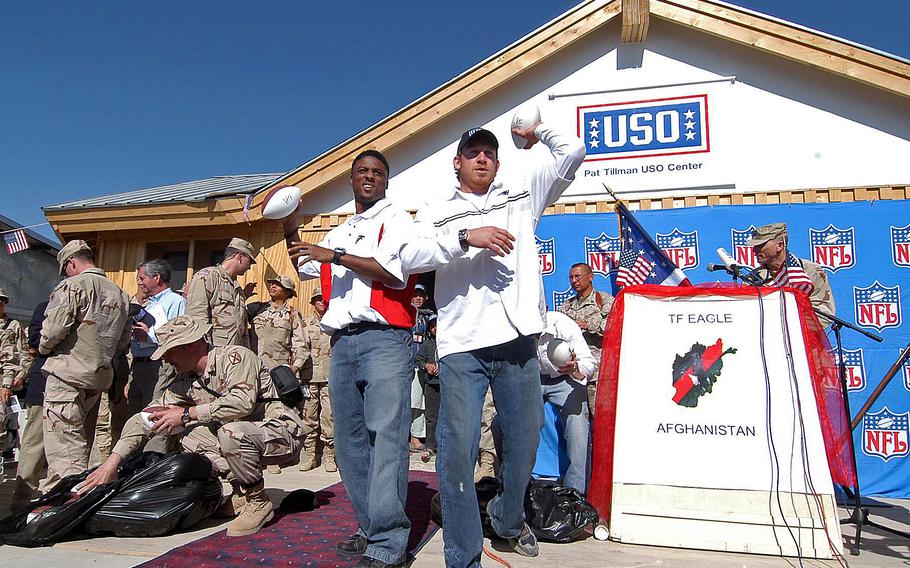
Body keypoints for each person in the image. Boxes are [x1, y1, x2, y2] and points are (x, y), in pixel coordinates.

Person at [395, 121, 586, 566]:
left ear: (497, 162)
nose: (482, 158)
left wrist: (538, 130)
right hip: (462, 345)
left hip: (518, 340)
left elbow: (573, 150)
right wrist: (466, 237)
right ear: (457, 162)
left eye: (489, 153)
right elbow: (407, 257)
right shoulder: (437, 208)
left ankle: (505, 514)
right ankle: (463, 555)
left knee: (523, 442)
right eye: (473, 152)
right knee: (458, 452)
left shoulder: (521, 193)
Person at [78, 315, 308, 537]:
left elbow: (241, 403)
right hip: (243, 437)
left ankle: (258, 501)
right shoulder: (184, 382)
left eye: (169, 352)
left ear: (189, 345)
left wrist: (187, 413)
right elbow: (146, 418)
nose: (166, 360)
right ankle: (241, 491)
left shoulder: (236, 357)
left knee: (229, 432)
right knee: (188, 435)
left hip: (280, 434)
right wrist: (111, 463)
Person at [39, 240, 131, 491]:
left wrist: (44, 348)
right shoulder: (120, 293)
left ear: (71, 262)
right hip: (98, 378)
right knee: (81, 441)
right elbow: (123, 340)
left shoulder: (73, 286)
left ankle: (72, 505)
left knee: (66, 452)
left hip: (67, 375)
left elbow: (52, 330)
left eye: (65, 268)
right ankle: (63, 494)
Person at [247, 274, 307, 474]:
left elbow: (300, 345)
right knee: (251, 410)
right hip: (253, 368)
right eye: (271, 283)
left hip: (277, 372)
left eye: (278, 284)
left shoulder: (291, 314)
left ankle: (273, 454)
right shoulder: (257, 309)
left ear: (288, 291)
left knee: (275, 413)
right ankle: (252, 451)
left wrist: (294, 368)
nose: (272, 286)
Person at [537, 311, 597, 495]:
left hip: (564, 379)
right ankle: (516, 492)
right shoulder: (517, 330)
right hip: (533, 379)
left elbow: (589, 364)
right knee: (503, 424)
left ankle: (574, 497)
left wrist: (574, 367)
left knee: (577, 427)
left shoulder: (562, 325)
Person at [128, 259, 187, 414]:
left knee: (153, 414)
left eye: (142, 278)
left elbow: (178, 336)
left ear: (157, 278)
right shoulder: (149, 304)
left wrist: (148, 335)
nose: (140, 283)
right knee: (134, 414)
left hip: (158, 366)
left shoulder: (175, 302)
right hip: (138, 365)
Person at [748, 223, 836, 324]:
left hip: (803, 336)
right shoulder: (752, 278)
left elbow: (823, 313)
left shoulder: (810, 271)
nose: (754, 250)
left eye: (760, 245)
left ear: (780, 246)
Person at [558, 263, 613, 416]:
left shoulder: (604, 301)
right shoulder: (566, 307)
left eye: (577, 276)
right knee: (577, 424)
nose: (574, 280)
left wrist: (589, 326)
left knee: (601, 418)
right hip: (573, 375)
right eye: (571, 277)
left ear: (590, 277)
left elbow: (614, 327)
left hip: (598, 375)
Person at [186, 237, 257, 348]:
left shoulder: (237, 289)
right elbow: (196, 317)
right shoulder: (208, 277)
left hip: (234, 355)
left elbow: (241, 330)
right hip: (214, 353)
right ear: (239, 256)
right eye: (250, 261)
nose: (249, 267)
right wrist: (205, 352)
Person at [13, 301, 49, 502]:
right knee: (35, 441)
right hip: (43, 382)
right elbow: (34, 342)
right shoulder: (46, 307)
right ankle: (22, 499)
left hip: (79, 386)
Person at [299, 287, 335, 473]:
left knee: (329, 415)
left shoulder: (335, 322)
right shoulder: (304, 323)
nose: (321, 302)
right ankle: (310, 454)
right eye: (318, 299)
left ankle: (330, 454)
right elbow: (298, 347)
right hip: (308, 377)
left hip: (329, 376)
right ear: (313, 302)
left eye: (324, 299)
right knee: (308, 416)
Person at [0, 288, 33, 462]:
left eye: (1, 301)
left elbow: (23, 355)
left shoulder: (12, 326)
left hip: (7, 379)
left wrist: (20, 375)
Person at [409, 284, 433, 452]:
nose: (417, 298)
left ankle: (415, 437)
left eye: (420, 295)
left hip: (421, 365)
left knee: (419, 402)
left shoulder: (430, 317)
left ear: (425, 298)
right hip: (403, 363)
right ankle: (402, 437)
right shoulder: (403, 312)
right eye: (414, 294)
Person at [415, 314, 439, 463]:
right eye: (432, 326)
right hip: (431, 384)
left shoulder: (449, 343)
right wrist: (427, 366)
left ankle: (445, 445)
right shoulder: (427, 343)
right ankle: (430, 445)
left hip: (446, 383)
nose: (436, 328)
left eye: (438, 325)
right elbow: (419, 359)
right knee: (431, 416)